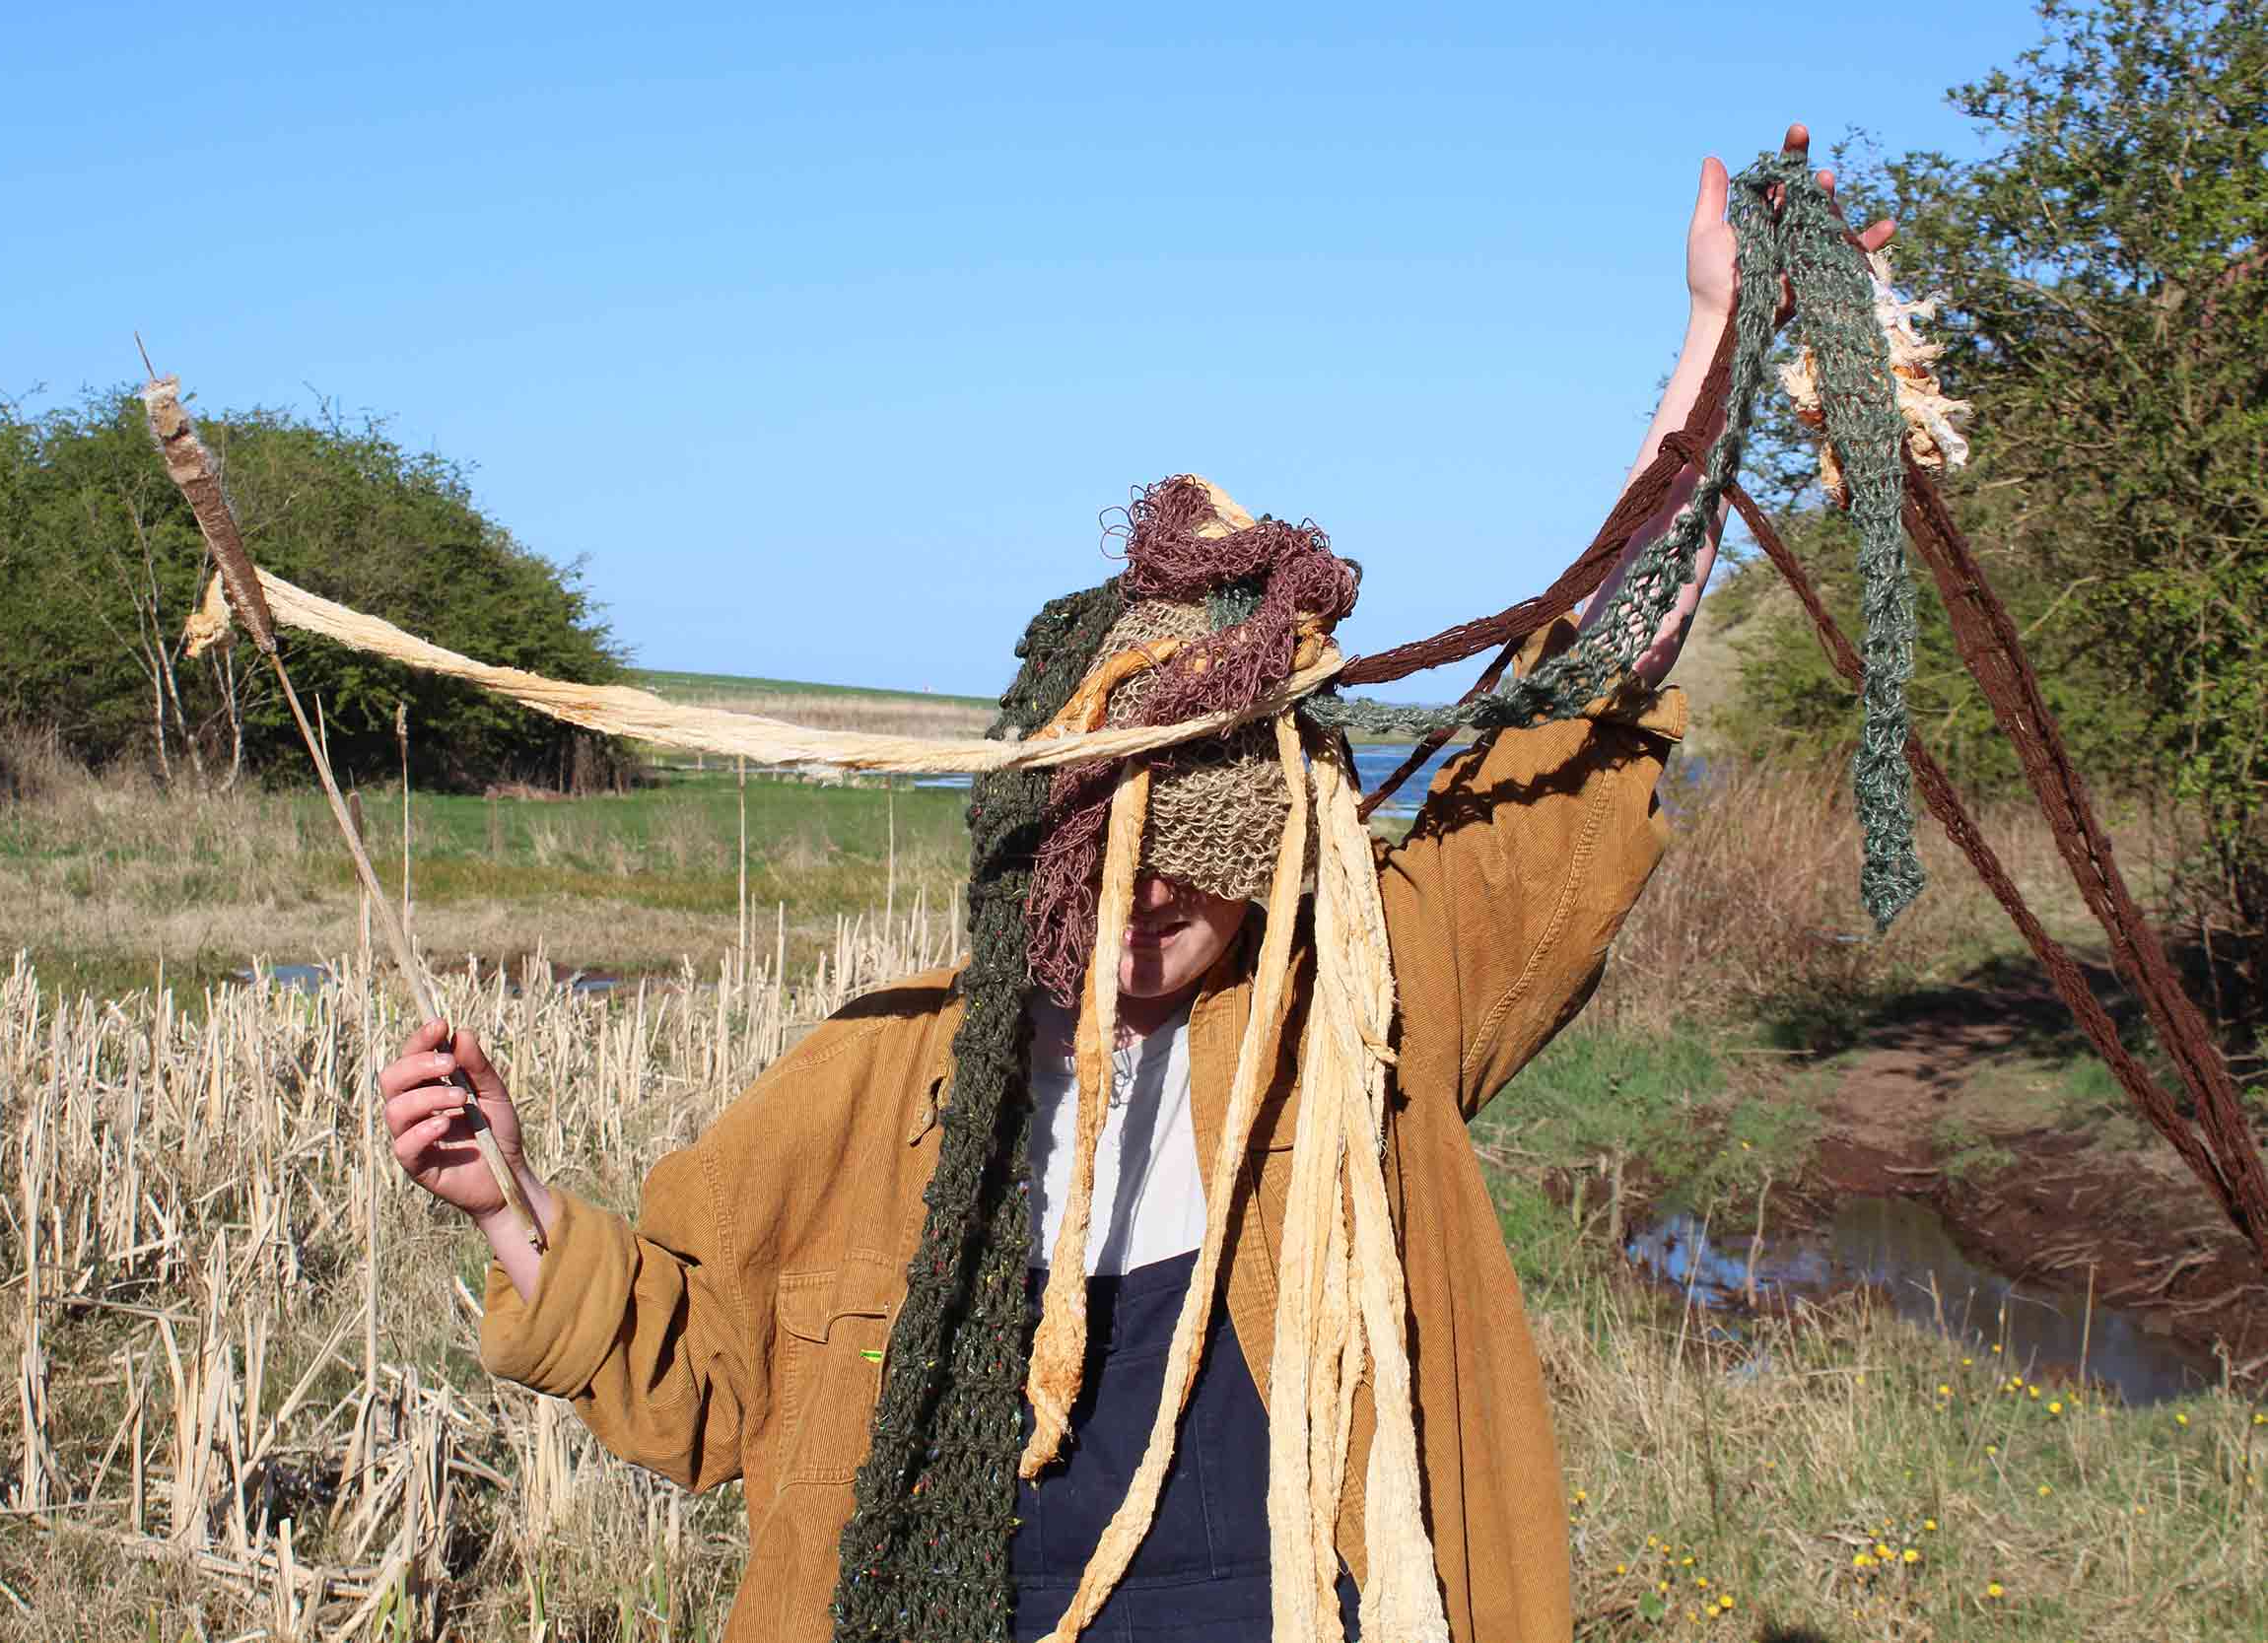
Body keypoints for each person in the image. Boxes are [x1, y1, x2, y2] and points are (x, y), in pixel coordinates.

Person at [380, 125, 1893, 1643]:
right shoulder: (872, 1079)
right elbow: (694, 1397)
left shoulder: (1366, 1008)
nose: (1147, 901)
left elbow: (1573, 705)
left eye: (1201, 860)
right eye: (1099, 860)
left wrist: (1717, 340)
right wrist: (507, 1200)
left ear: (1284, 851)